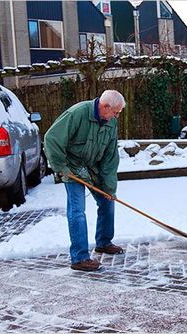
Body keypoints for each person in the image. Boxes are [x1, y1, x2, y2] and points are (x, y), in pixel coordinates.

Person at [44, 90, 125, 272]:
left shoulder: (110, 123)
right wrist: (61, 168)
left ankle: (104, 242)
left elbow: (110, 157)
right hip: (73, 168)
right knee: (77, 211)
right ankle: (79, 258)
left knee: (107, 202)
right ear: (105, 106)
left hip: (93, 168)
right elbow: (51, 138)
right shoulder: (77, 113)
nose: (117, 116)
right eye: (115, 112)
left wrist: (110, 188)